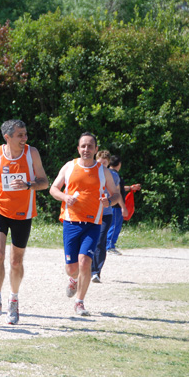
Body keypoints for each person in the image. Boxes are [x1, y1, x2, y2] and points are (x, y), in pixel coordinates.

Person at [0, 119, 49, 325]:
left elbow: (44, 182)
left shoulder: (31, 153)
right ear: (7, 137)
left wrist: (28, 185)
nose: (25, 139)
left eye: (25, 134)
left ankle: (13, 300)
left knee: (16, 261)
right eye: (20, 135)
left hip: (23, 213)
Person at [49, 132, 125, 316]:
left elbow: (115, 195)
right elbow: (53, 189)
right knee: (72, 268)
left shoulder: (103, 171)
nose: (86, 149)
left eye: (90, 146)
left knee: (85, 262)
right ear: (78, 148)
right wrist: (65, 197)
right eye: (83, 146)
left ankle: (80, 302)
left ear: (96, 149)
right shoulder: (69, 166)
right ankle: (73, 280)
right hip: (71, 222)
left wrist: (109, 201)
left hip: (93, 223)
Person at [90, 150, 126, 283]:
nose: (102, 165)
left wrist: (122, 206)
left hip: (106, 213)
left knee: (100, 241)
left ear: (108, 163)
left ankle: (96, 272)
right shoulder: (90, 173)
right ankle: (88, 268)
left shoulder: (114, 176)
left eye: (105, 163)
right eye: (100, 162)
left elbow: (117, 193)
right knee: (90, 241)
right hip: (91, 212)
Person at [106, 155, 141, 255]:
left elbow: (118, 188)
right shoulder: (115, 174)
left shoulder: (108, 173)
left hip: (108, 203)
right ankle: (110, 247)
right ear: (119, 164)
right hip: (115, 205)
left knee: (109, 225)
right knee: (115, 225)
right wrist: (123, 206)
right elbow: (117, 192)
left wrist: (130, 188)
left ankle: (106, 245)